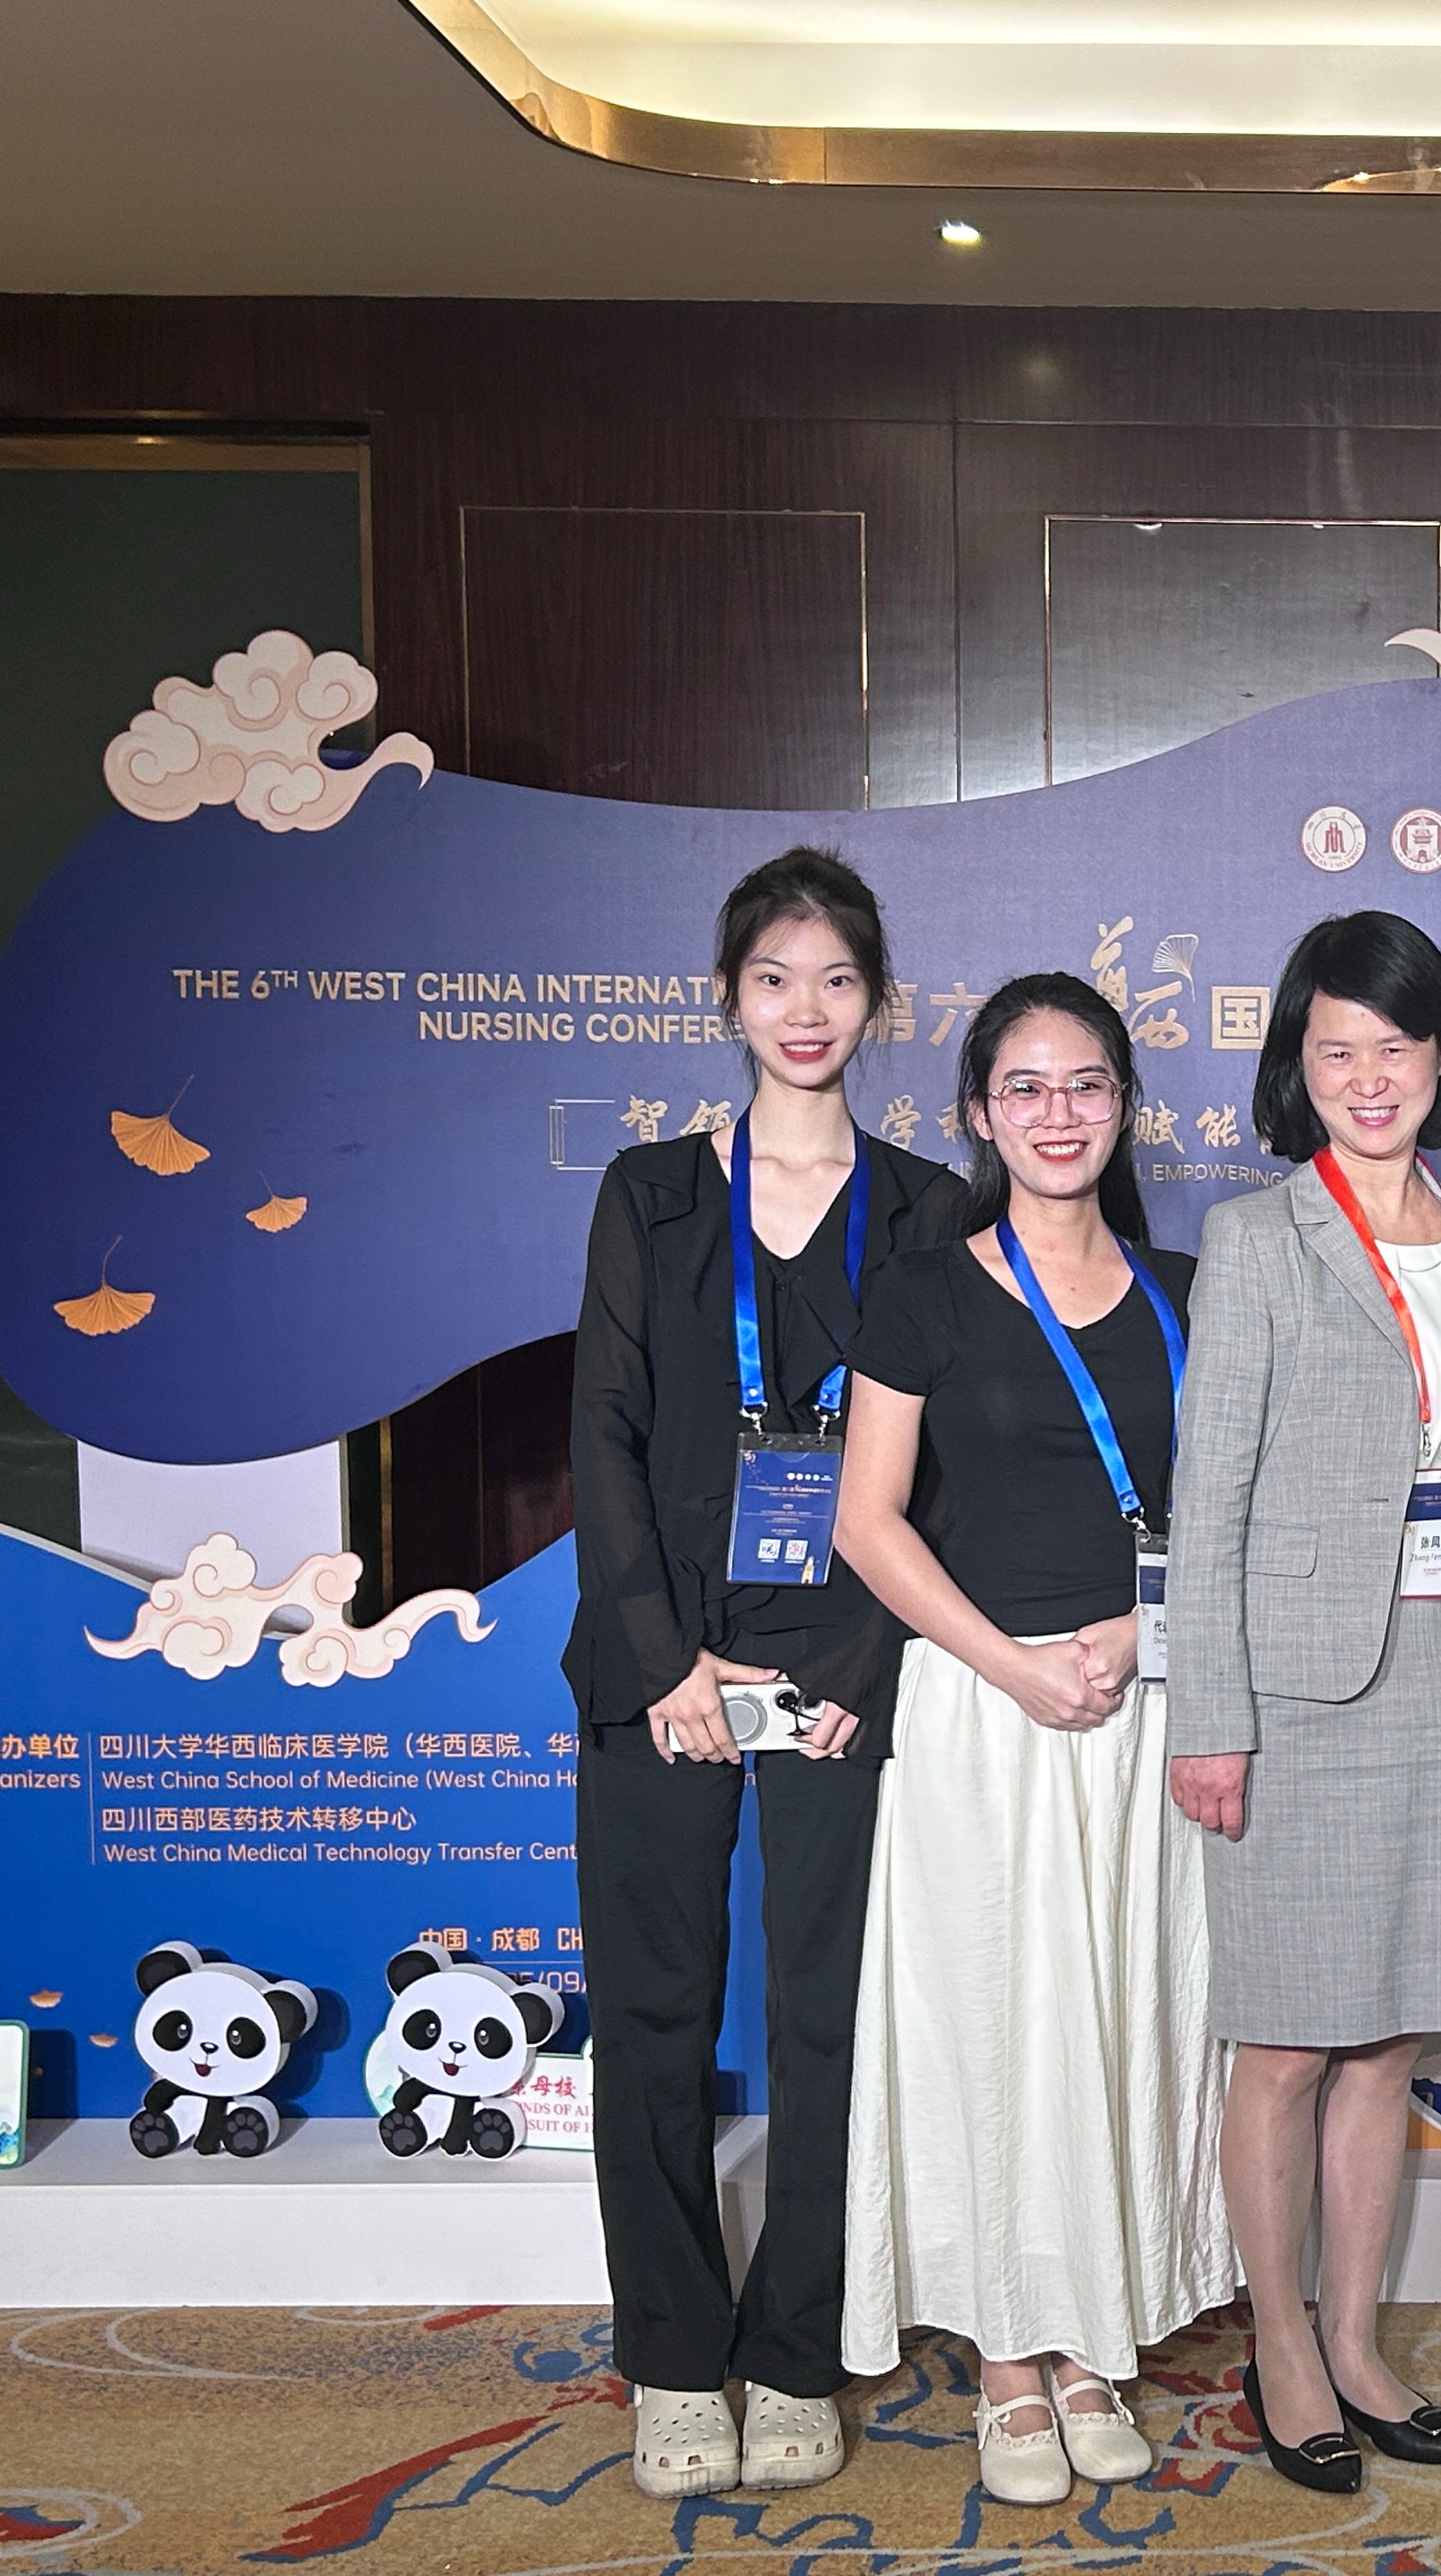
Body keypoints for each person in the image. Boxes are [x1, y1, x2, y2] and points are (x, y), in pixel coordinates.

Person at [564, 847, 966, 2500]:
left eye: (838, 980)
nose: (807, 1011)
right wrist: (664, 1659)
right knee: (655, 2012)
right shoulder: (651, 1193)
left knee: (827, 2018)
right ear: (728, 997)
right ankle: (672, 2355)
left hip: (844, 1666)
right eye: (775, 979)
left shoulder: (931, 1208)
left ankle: (797, 2349)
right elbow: (601, 1432)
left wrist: (864, 1659)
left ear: (879, 1002)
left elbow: (942, 1471)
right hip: (660, 1661)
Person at [831, 972, 1235, 2505]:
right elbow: (868, 1522)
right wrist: (1012, 1666)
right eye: (1025, 1088)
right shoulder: (921, 1290)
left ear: (1126, 1106)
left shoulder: (1189, 1290)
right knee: (996, 2023)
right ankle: (1010, 2355)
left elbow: (1229, 1512)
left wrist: (1133, 1638)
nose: (1057, 1115)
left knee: (1120, 2015)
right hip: (982, 1709)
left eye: (1086, 1086)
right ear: (978, 1114)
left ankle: (1092, 2339)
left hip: (1147, 1703)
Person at [1164, 911, 1441, 2495]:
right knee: (1285, 2047)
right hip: (1296, 1694)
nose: (1369, 1077)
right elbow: (1211, 1499)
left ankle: (1362, 2341)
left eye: (1396, 1046)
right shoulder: (1261, 1239)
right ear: (1297, 1067)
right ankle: (1283, 2346)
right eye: (1338, 1051)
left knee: (1389, 2040)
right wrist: (1210, 1716)